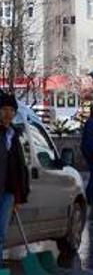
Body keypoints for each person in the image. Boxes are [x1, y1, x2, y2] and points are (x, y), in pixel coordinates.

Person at [0, 92, 30, 259]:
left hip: (8, 193)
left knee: (1, 234)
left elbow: (20, 168)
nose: (8, 114)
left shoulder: (14, 135)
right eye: (4, 109)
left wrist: (20, 195)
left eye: (12, 110)